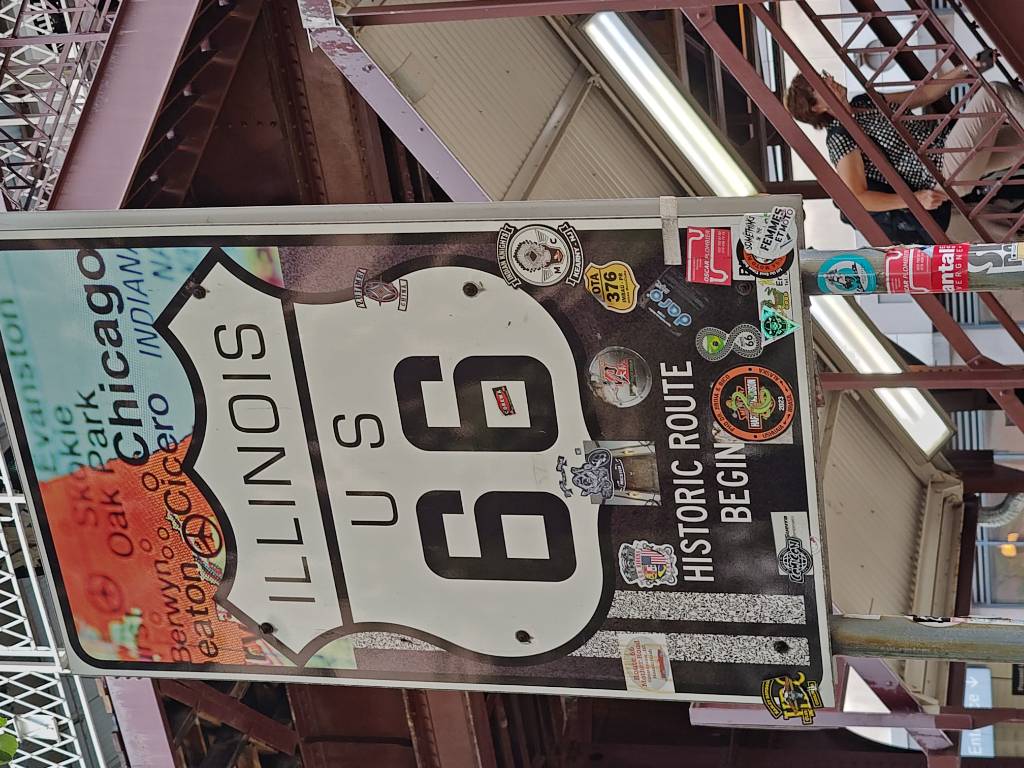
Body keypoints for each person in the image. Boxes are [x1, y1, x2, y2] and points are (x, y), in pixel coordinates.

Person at [785, 64, 1024, 232]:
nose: (829, 80)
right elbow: (859, 197)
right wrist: (914, 200)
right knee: (994, 93)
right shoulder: (840, 137)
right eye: (820, 84)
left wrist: (965, 67)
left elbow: (923, 94)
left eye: (823, 75)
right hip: (940, 170)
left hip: (949, 149)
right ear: (816, 108)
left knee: (1019, 144)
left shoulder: (863, 102)